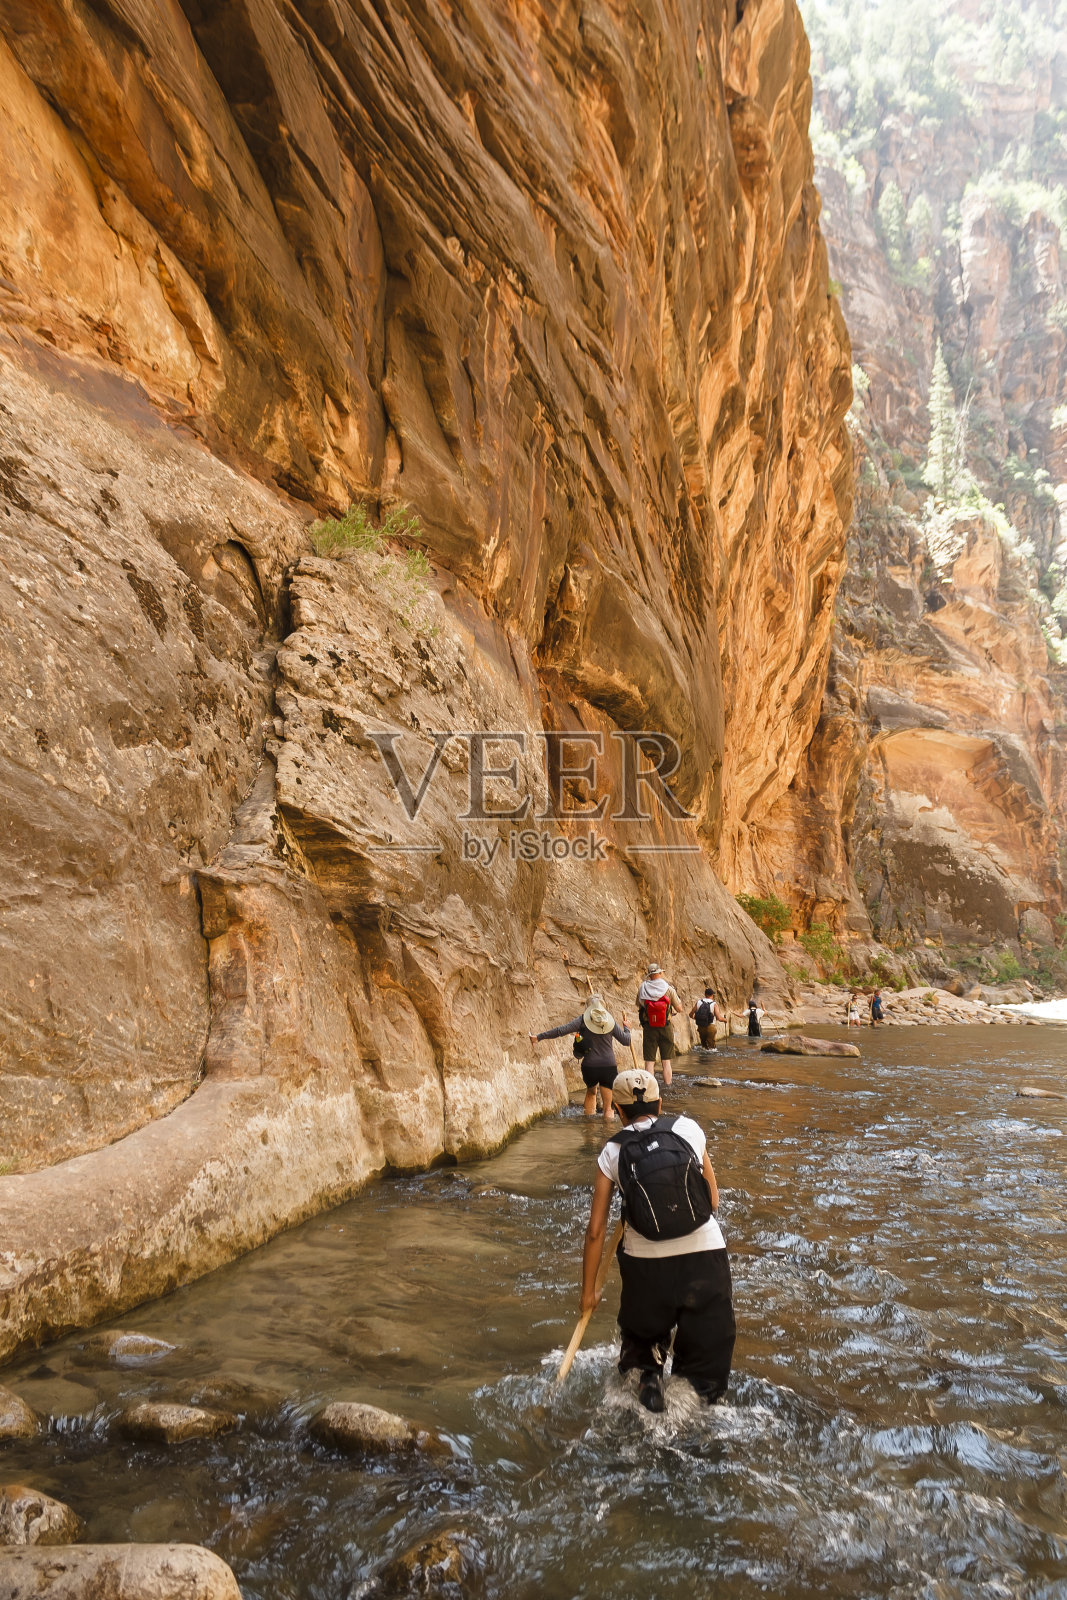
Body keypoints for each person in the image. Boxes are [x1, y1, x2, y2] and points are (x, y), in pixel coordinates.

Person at [580, 1067, 735, 1412]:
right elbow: (712, 1201)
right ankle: (697, 1411)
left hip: (647, 1268)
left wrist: (588, 1292)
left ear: (618, 1111)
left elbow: (595, 1231)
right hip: (705, 1257)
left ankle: (649, 1376)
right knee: (704, 1376)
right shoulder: (689, 1129)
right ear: (660, 1104)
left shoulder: (612, 1152)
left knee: (642, 1347)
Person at [531, 996, 631, 1121]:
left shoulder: (582, 1020)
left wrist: (539, 1037)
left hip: (590, 1067)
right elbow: (626, 1041)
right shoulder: (610, 1021)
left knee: (591, 1092)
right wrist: (627, 1028)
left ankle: (589, 1134)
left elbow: (561, 1030)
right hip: (608, 1067)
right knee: (608, 1108)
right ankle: (607, 1136)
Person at [636, 963, 682, 1086]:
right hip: (665, 1027)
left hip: (649, 1027)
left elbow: (639, 1005)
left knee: (649, 1062)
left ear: (650, 975)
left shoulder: (642, 988)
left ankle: (650, 1088)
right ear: (660, 973)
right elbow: (679, 1009)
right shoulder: (668, 989)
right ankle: (668, 1085)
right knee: (666, 1061)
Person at [689, 986, 726, 1050]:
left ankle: (703, 1059)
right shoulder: (714, 1004)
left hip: (701, 1027)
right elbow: (718, 1018)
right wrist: (725, 1020)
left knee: (704, 1047)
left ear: (705, 994)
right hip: (710, 1027)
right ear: (712, 995)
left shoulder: (699, 1002)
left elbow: (691, 1014)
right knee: (712, 1049)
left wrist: (697, 1018)